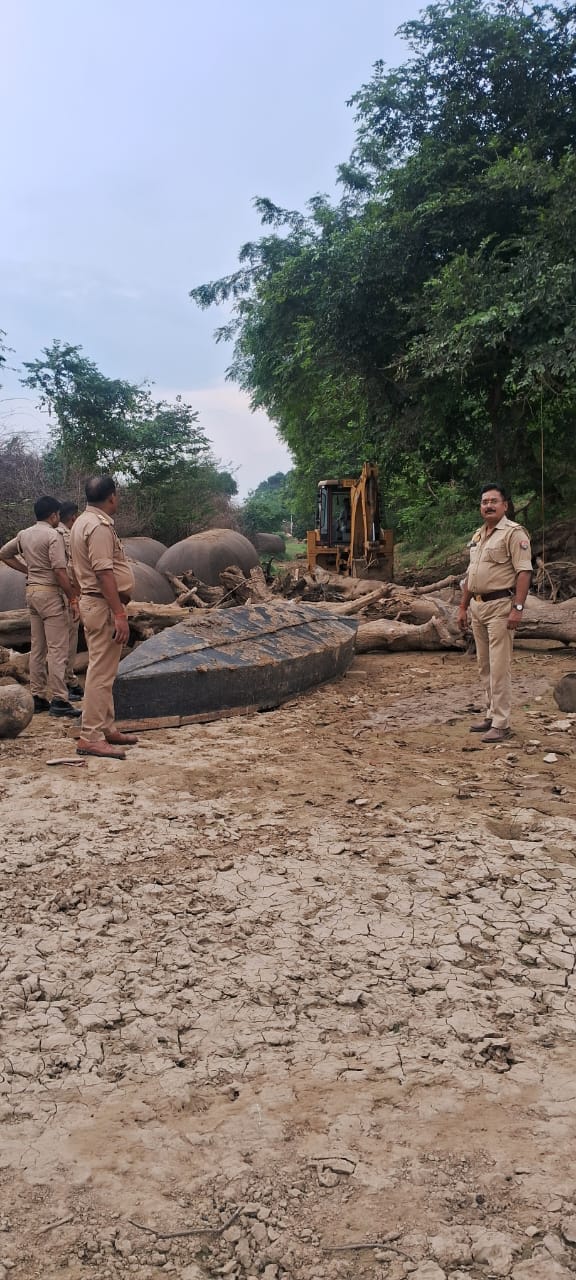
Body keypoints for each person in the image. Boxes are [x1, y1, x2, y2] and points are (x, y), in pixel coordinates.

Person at [458, 483, 533, 742]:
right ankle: (491, 714)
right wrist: (463, 606)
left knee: (500, 666)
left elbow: (524, 571)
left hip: (501, 607)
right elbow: (470, 574)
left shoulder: (514, 533)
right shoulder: (479, 535)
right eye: (484, 502)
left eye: (493, 501)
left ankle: (502, 724)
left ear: (505, 506)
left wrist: (518, 609)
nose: (488, 505)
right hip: (478, 607)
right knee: (484, 665)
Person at [70, 476, 138, 759]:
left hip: (96, 603)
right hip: (103, 605)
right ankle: (91, 736)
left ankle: (107, 727)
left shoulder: (80, 522)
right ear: (112, 496)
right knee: (100, 672)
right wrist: (119, 613)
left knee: (105, 670)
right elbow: (103, 572)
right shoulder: (97, 527)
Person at [0, 496, 81, 718]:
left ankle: (37, 695)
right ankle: (59, 700)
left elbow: (4, 554)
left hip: (32, 594)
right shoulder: (53, 535)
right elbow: (59, 571)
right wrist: (73, 598)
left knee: (38, 647)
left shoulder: (24, 534)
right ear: (54, 515)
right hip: (50, 595)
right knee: (58, 649)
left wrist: (28, 571)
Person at [56, 501, 84, 701]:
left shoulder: (44, 532)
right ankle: (68, 680)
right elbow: (69, 569)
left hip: (44, 592)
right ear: (73, 517)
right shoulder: (67, 536)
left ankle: (44, 688)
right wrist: (76, 595)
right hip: (65, 593)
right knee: (69, 638)